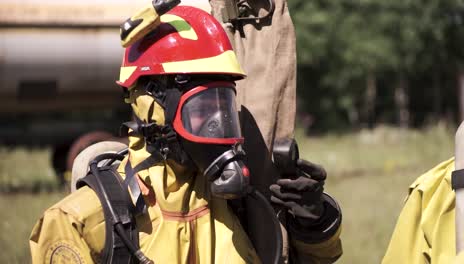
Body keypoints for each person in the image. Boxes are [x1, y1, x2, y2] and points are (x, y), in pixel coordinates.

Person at [30, 3, 342, 264]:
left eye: (223, 106)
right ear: (151, 106)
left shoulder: (236, 204)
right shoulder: (77, 221)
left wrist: (314, 222)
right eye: (202, 107)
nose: (216, 123)